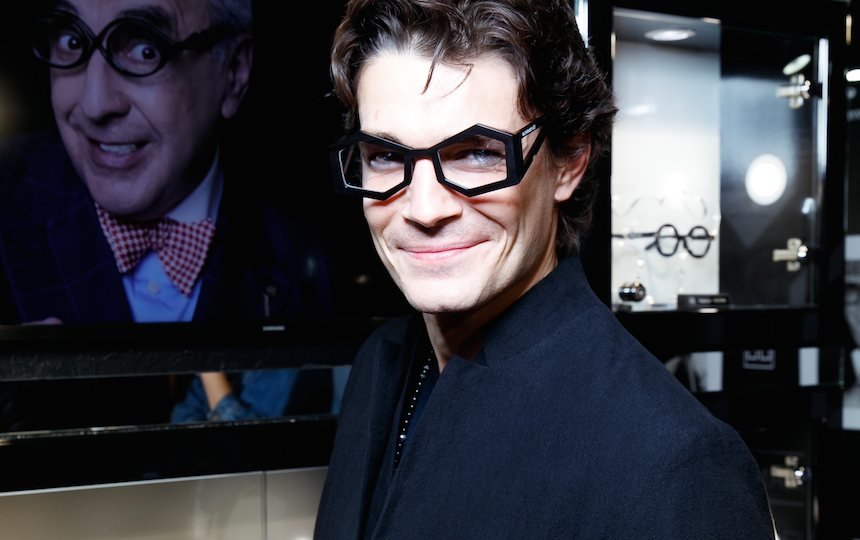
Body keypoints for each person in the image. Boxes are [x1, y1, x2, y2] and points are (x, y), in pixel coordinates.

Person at [314, 0, 776, 537]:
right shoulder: (379, 365)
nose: (424, 209)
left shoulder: (677, 462)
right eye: (385, 156)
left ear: (569, 162)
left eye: (477, 153)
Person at [0, 0, 332, 429]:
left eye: (145, 49)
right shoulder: (9, 195)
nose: (95, 105)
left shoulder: (303, 253)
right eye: (72, 41)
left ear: (233, 73)